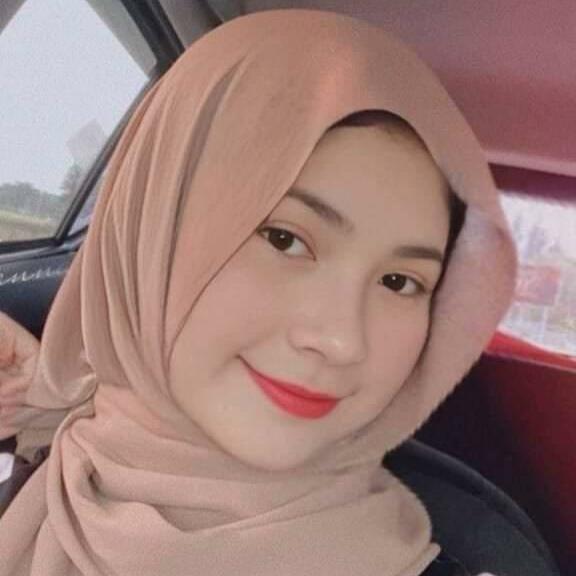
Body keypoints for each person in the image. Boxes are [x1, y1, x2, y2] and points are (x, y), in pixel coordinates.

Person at [0, 9, 516, 576]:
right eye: (284, 239)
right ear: (150, 236)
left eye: (400, 282)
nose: (342, 340)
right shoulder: (39, 455)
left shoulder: (484, 551)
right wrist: (37, 398)